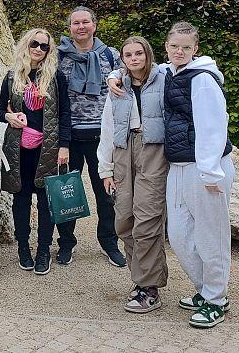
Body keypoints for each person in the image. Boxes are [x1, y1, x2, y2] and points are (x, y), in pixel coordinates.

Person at [159, 22, 235, 328]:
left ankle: (216, 299)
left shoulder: (202, 79)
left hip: (205, 168)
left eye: (186, 47)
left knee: (211, 235)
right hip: (177, 165)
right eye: (174, 46)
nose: (179, 51)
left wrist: (211, 173)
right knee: (179, 234)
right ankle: (205, 289)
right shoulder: (167, 72)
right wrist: (114, 75)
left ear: (195, 49)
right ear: (166, 46)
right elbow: (133, 68)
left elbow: (213, 127)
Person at [97, 36, 169, 313]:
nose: (134, 58)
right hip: (123, 151)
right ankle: (139, 280)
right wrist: (105, 168)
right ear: (123, 60)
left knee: (147, 220)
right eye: (128, 55)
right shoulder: (118, 87)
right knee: (124, 220)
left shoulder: (164, 78)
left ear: (148, 54)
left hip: (153, 150)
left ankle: (149, 286)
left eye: (139, 53)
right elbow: (107, 127)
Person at [56, 7, 126, 268]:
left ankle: (109, 242)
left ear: (94, 25)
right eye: (76, 23)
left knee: (106, 193)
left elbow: (129, 77)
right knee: (66, 193)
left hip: (102, 136)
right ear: (70, 28)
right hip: (69, 137)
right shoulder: (59, 56)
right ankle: (66, 243)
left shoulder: (111, 55)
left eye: (86, 22)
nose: (81, 27)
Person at [0, 28, 71, 276]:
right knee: (20, 199)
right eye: (34, 44)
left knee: (46, 201)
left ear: (49, 51)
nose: (39, 49)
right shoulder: (12, 77)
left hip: (47, 149)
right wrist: (9, 117)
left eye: (44, 46)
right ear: (26, 45)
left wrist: (64, 146)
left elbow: (64, 114)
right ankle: (23, 247)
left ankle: (43, 250)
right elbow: (0, 111)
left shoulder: (56, 77)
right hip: (18, 149)